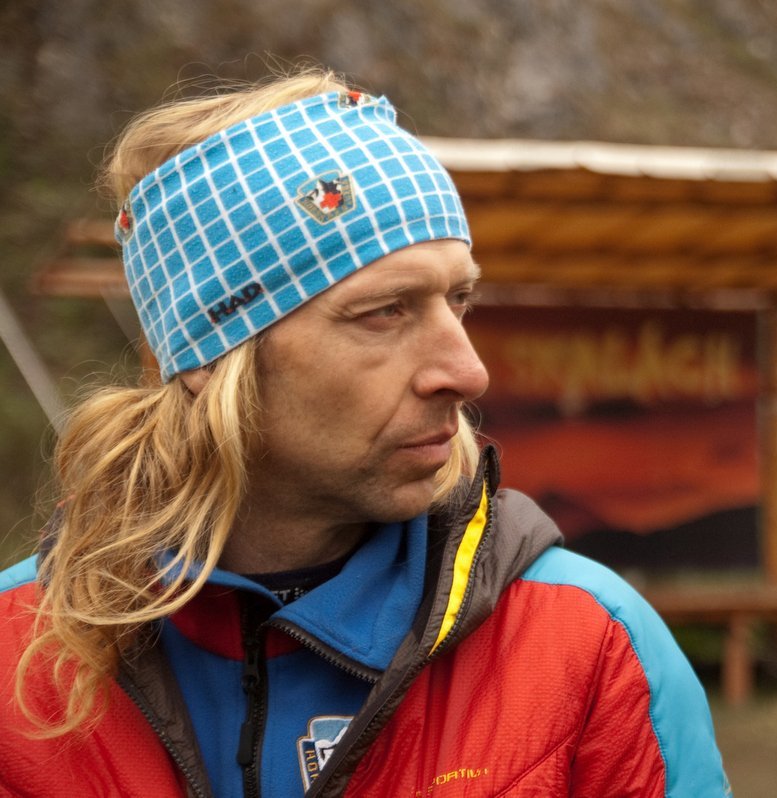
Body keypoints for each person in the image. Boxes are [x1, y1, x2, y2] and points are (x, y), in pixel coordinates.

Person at [0, 70, 731, 797]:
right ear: (209, 360)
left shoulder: (586, 642)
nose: (468, 372)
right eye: (385, 312)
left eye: (459, 299)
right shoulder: (16, 655)